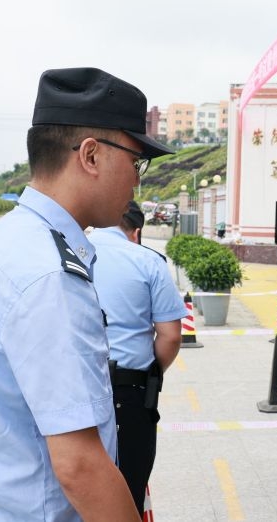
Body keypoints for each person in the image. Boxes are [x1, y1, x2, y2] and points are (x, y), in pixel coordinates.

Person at [0, 67, 173, 522]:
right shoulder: (50, 273)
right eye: (136, 162)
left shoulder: (11, 239)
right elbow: (79, 465)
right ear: (91, 156)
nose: (138, 181)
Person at [86, 199, 187, 516]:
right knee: (127, 492)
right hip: (129, 395)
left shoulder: (68, 254)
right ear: (137, 231)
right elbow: (169, 335)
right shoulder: (148, 261)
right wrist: (150, 374)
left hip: (75, 385)